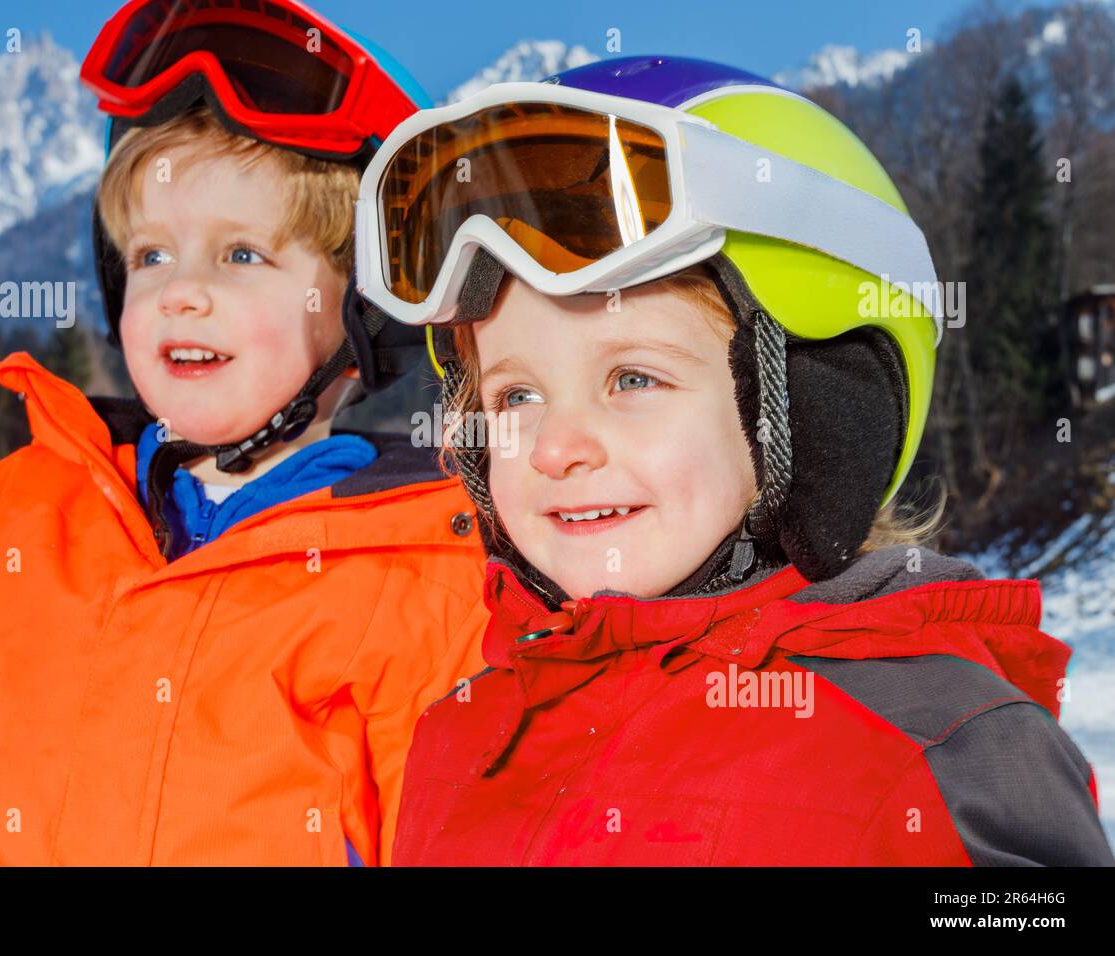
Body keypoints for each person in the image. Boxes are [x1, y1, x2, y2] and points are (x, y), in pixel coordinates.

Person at [354, 56, 1115, 865]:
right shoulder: (463, 729)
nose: (553, 447)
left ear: (820, 405)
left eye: (633, 378)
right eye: (514, 397)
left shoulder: (932, 749)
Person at [0, 0, 488, 866]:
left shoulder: (430, 580)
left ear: (367, 309)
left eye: (242, 255)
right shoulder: (10, 524)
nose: (181, 292)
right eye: (151, 257)